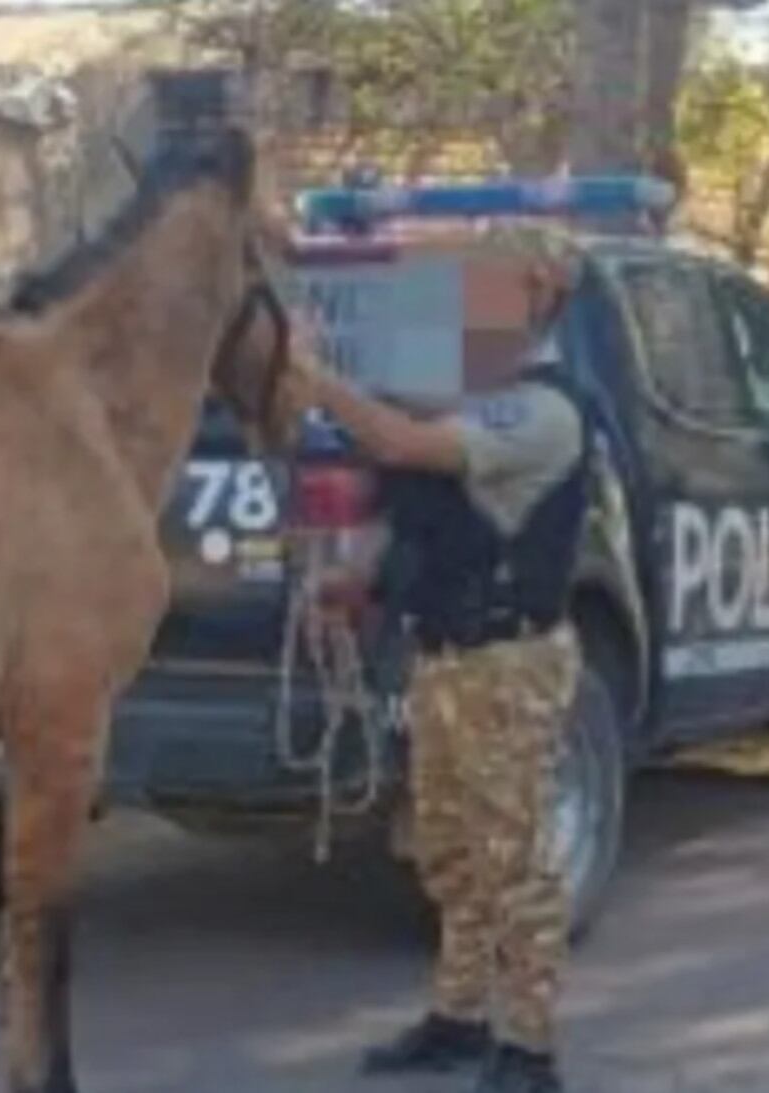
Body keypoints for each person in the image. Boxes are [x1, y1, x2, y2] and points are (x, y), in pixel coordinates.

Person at [292, 229, 590, 1093]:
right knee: (447, 848)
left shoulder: (539, 409)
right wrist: (358, 580)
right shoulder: (472, 398)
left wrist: (315, 380)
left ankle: (528, 1049)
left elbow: (401, 446)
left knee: (513, 859)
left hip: (508, 661)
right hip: (448, 657)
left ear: (535, 298)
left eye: (487, 289)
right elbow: (423, 506)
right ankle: (458, 1018)